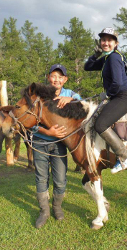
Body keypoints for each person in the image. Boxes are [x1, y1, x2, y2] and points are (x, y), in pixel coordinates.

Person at [31, 64, 81, 229]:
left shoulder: (70, 94)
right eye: (54, 76)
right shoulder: (38, 95)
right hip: (40, 142)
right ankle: (43, 211)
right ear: (48, 77)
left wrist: (72, 100)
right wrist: (47, 131)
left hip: (60, 144)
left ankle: (57, 207)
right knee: (41, 178)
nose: (56, 79)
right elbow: (29, 121)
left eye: (60, 77)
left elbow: (86, 104)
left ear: (65, 80)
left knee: (60, 179)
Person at [84, 27, 127, 174]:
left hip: (123, 96)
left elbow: (118, 83)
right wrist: (95, 55)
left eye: (109, 40)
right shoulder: (107, 58)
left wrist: (107, 95)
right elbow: (87, 67)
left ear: (116, 43)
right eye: (103, 40)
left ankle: (124, 157)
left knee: (100, 125)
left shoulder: (113, 57)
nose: (105, 43)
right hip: (118, 96)